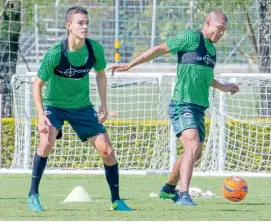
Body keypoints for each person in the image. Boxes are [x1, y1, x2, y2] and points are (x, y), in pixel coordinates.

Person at [110, 10, 239, 206]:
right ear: (207, 23)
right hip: (181, 103)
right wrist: (130, 65)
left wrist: (222, 87)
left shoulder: (212, 50)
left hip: (199, 108)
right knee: (192, 145)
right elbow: (158, 49)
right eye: (219, 28)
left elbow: (204, 76)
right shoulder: (190, 37)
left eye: (224, 31)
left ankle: (169, 188)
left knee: (195, 153)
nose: (221, 33)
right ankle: (184, 195)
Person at [28, 6, 132, 212]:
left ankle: (117, 200)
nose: (85, 27)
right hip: (55, 106)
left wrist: (103, 103)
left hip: (82, 107)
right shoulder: (56, 52)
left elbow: (101, 74)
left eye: (86, 23)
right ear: (69, 26)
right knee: (47, 142)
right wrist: (41, 116)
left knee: (107, 151)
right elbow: (37, 84)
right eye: (80, 23)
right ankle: (33, 195)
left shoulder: (94, 49)